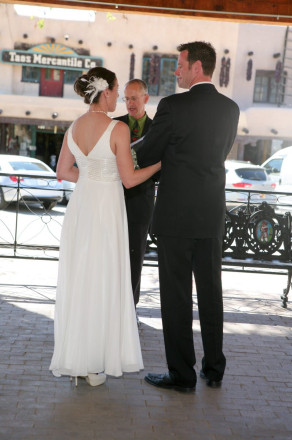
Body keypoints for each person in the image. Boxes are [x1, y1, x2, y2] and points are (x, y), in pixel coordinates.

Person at [137, 41, 240, 392]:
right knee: (212, 294)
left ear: (197, 67)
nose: (175, 71)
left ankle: (181, 375)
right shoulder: (230, 109)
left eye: (180, 65)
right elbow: (218, 153)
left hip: (176, 218)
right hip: (211, 214)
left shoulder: (172, 105)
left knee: (177, 297)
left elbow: (149, 149)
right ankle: (214, 369)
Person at [49, 66, 160, 387]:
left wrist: (94, 179)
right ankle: (95, 362)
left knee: (81, 281)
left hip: (81, 209)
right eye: (116, 91)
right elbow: (129, 179)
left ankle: (79, 360)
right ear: (107, 91)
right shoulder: (117, 129)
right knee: (104, 281)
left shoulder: (75, 126)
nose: (119, 98)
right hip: (107, 212)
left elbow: (62, 171)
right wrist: (159, 163)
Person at [114, 79, 156, 312]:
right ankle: (110, 306)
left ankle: (130, 309)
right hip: (112, 198)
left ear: (145, 99)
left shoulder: (156, 129)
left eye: (134, 98)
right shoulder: (112, 125)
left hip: (141, 201)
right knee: (111, 254)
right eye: (126, 98)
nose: (130, 103)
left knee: (134, 256)